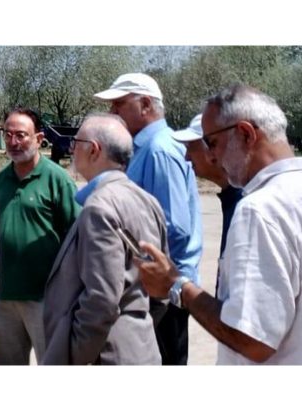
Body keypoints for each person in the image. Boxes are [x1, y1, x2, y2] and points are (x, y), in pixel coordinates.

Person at [138, 84, 302, 364]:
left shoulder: (260, 209)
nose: (209, 156)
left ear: (246, 134)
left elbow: (252, 339)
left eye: (211, 143)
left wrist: (176, 286)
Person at [94, 72, 202, 365]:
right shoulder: (148, 148)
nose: (112, 113)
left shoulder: (159, 151)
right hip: (156, 289)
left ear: (144, 104)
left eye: (118, 104)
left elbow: (173, 227)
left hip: (162, 294)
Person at [42, 113, 166, 365]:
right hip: (141, 346)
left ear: (93, 150)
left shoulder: (99, 207)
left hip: (107, 354)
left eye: (75, 143)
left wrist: (75, 356)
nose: (71, 150)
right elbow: (160, 292)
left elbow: (102, 300)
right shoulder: (147, 200)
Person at [0, 108, 81, 365]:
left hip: (45, 299)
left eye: (21, 135)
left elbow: (76, 237)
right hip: (5, 297)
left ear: (39, 138)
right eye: (8, 135)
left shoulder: (57, 180)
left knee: (52, 366)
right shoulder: (1, 180)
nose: (13, 142)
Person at [172, 114, 243, 259]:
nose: (187, 157)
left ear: (212, 147)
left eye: (191, 147)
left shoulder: (244, 202)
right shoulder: (232, 196)